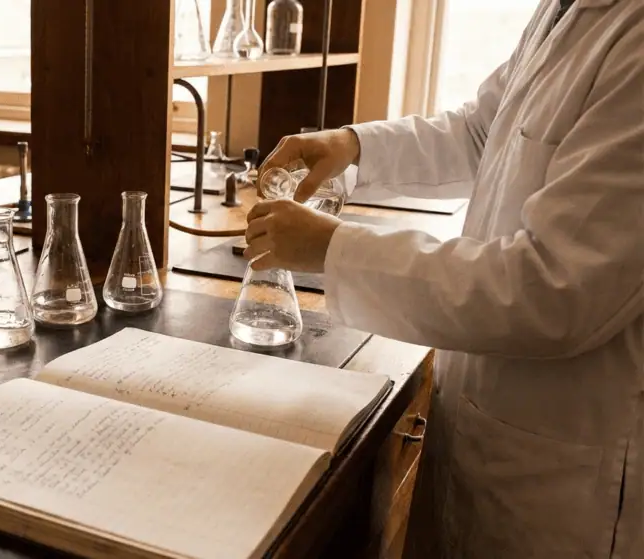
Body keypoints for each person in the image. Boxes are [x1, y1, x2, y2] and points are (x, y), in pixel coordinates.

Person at [244, 0, 643, 557]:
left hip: (567, 478)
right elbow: (482, 130)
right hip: (492, 424)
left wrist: (332, 247)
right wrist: (353, 145)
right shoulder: (567, 9)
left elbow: (555, 287)